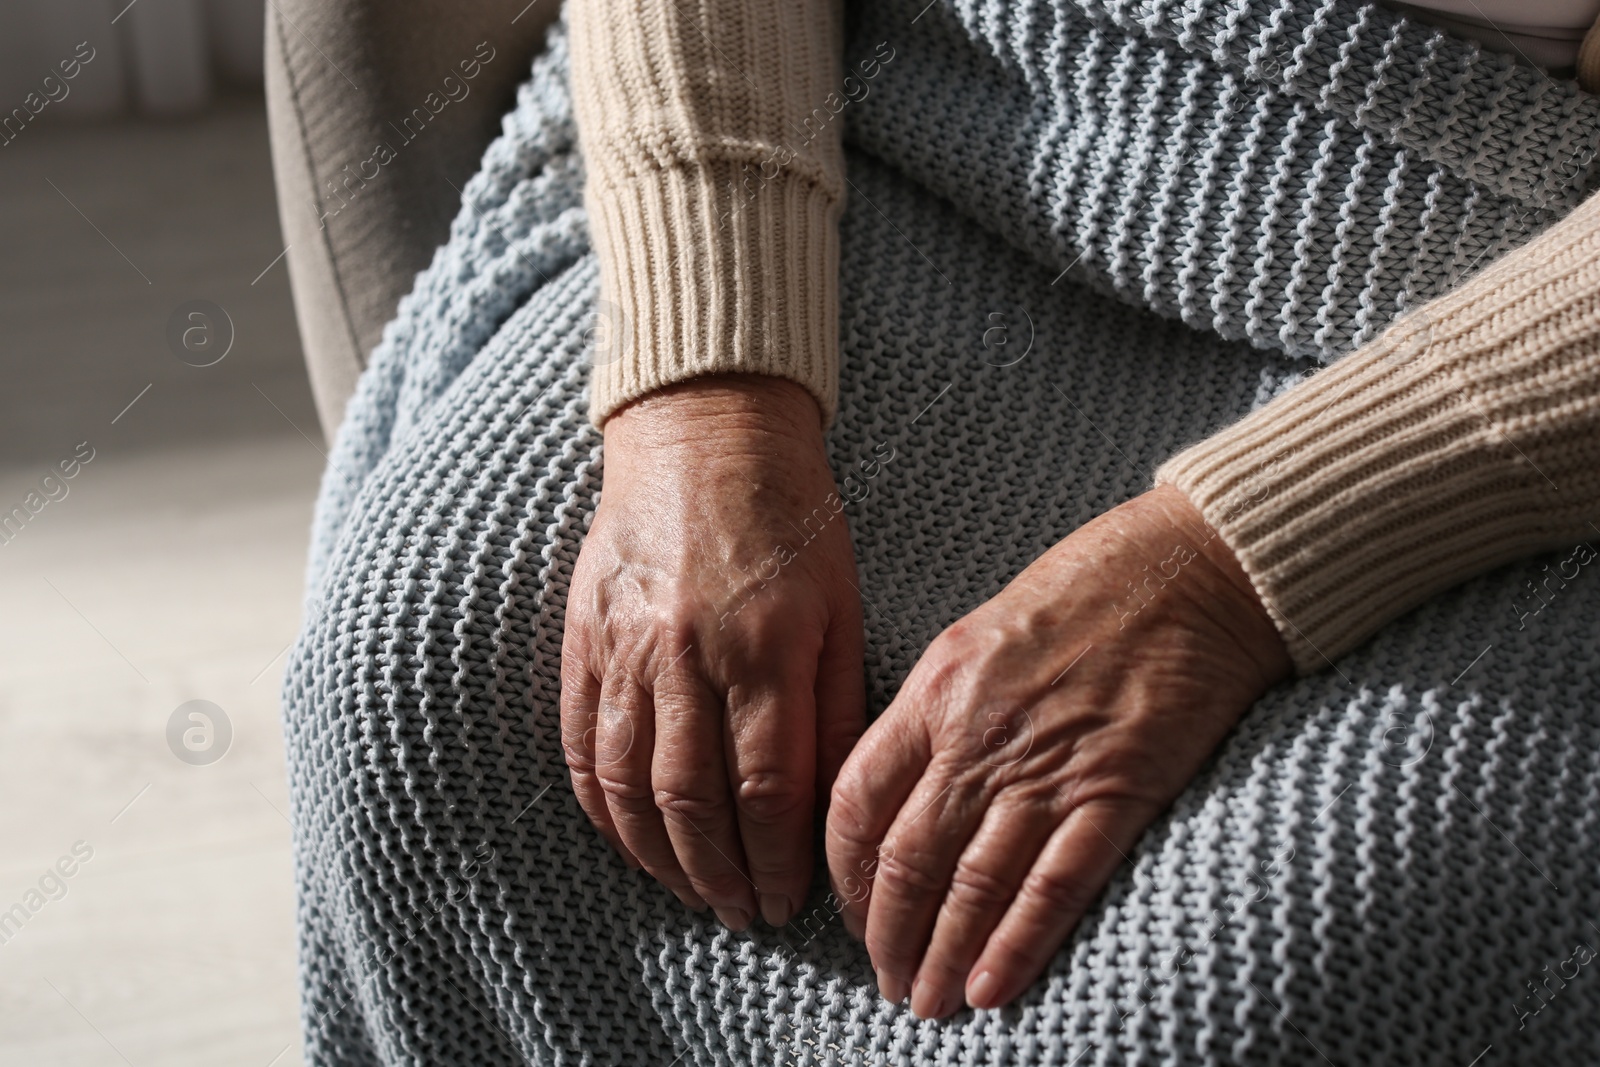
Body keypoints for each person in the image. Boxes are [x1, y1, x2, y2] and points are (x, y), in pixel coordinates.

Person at [269, 0, 1600, 1062]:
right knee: (419, 693)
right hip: (913, 105)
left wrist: (1229, 563)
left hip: (1491, 294)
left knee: (1236, 993)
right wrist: (710, 393)